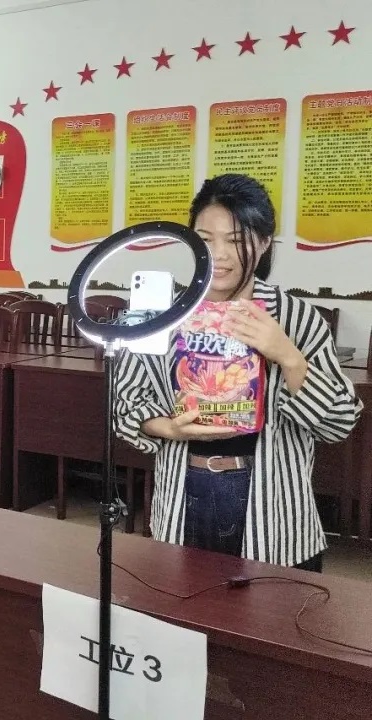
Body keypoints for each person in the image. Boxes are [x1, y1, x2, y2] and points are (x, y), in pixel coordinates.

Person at [113, 173, 362, 571]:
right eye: (205, 239)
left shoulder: (296, 318)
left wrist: (288, 356)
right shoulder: (162, 314)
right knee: (185, 602)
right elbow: (126, 405)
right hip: (182, 500)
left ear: (264, 242)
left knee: (272, 606)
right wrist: (172, 429)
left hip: (275, 511)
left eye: (235, 239)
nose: (219, 254)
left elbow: (339, 424)